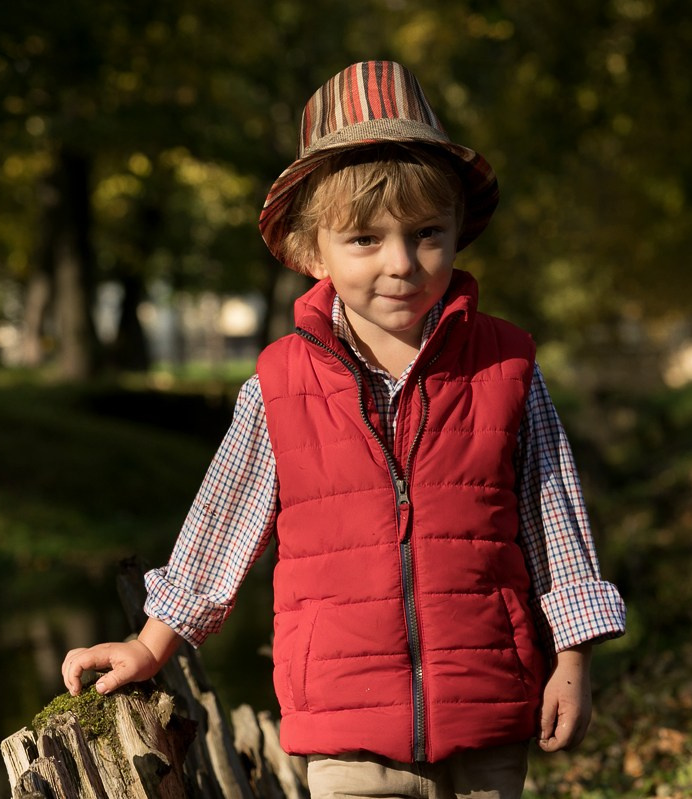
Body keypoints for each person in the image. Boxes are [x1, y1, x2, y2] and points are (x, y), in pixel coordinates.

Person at [61, 60, 626, 799]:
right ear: (310, 248)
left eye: (427, 233)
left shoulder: (508, 366)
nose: (401, 263)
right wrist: (149, 644)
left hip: (489, 711)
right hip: (343, 723)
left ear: (458, 229)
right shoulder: (279, 384)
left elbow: (556, 524)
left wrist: (573, 664)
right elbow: (221, 530)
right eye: (365, 239)